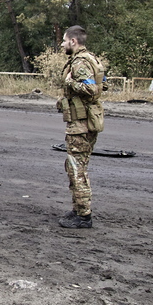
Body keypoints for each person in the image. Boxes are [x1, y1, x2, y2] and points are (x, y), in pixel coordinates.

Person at [56, 25, 107, 228]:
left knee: (76, 168)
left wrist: (70, 83)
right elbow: (103, 83)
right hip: (86, 121)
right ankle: (78, 209)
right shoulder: (91, 59)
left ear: (73, 41)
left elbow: (91, 89)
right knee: (76, 166)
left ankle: (84, 215)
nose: (62, 44)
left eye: (64, 40)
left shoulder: (80, 62)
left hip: (81, 124)